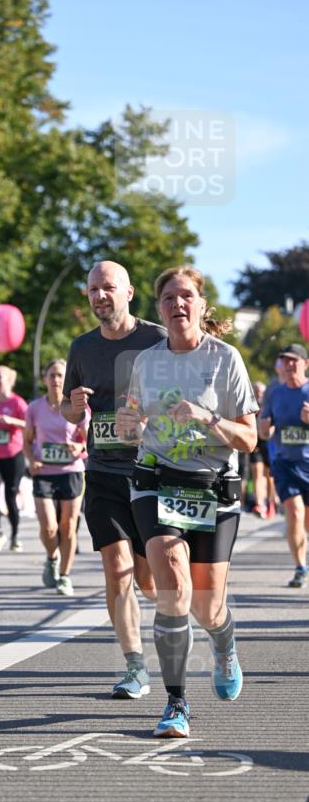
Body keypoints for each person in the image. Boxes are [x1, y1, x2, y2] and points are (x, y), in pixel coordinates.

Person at [116, 265, 258, 738]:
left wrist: (208, 417)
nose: (178, 305)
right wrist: (126, 423)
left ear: (201, 305)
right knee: (173, 585)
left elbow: (249, 439)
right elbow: (132, 420)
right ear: (158, 308)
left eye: (186, 297)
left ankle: (223, 641)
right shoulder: (145, 362)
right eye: (169, 299)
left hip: (212, 487)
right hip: (156, 480)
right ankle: (176, 702)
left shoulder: (226, 359)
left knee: (206, 605)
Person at [62, 260, 163, 699]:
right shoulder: (81, 348)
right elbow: (68, 412)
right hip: (102, 472)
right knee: (116, 568)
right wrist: (73, 405)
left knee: (150, 582)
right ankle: (135, 665)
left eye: (108, 287)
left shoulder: (157, 339)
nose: (100, 296)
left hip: (152, 473)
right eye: (92, 290)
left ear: (129, 291)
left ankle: (183, 631)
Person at [24, 359, 87, 596]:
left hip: (71, 471)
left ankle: (65, 575)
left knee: (68, 526)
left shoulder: (77, 407)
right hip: (44, 473)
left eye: (60, 375)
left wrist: (79, 449)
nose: (56, 380)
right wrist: (32, 461)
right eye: (52, 375)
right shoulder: (34, 408)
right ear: (45, 379)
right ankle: (52, 557)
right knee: (49, 528)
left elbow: (88, 440)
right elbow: (27, 442)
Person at [259, 343, 309, 587]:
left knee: (307, 521)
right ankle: (300, 566)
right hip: (285, 464)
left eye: (294, 360)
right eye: (285, 361)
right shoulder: (274, 392)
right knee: (295, 512)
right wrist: (265, 427)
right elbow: (265, 429)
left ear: (305, 364)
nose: (289, 365)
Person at [0, 365, 27, 553]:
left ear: (9, 380)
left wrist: (12, 422)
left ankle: (15, 535)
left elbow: (30, 425)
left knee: (10, 495)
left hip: (13, 455)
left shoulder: (18, 403)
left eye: (0, 377)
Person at [249, 381, 276, 519]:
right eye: (256, 390)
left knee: (269, 477)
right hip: (256, 445)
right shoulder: (250, 406)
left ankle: (270, 502)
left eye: (261, 391)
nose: (259, 393)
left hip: (269, 445)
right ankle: (259, 504)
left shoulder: (270, 405)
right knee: (257, 474)